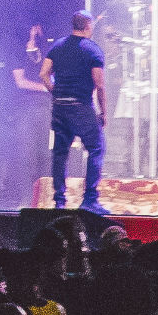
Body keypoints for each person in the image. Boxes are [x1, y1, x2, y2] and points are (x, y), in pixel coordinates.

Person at [39, 14, 114, 216]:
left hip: (59, 108)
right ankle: (89, 200)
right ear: (88, 25)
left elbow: (43, 73)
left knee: (60, 152)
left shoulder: (58, 46)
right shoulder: (92, 50)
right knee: (96, 147)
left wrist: (55, 92)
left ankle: (60, 201)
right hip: (80, 106)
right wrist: (103, 112)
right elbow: (99, 85)